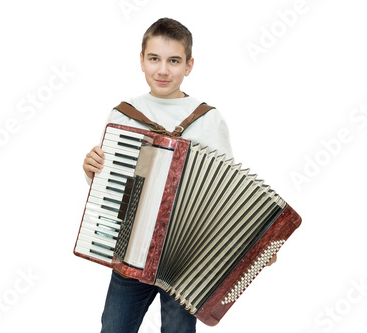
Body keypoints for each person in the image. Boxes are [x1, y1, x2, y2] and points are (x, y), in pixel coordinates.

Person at [82, 17, 276, 333]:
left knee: (178, 330)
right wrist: (93, 171)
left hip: (187, 260)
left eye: (174, 61)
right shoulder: (123, 115)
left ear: (189, 65)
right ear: (141, 61)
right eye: (154, 59)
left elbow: (227, 193)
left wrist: (254, 243)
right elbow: (114, 190)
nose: (163, 70)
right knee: (113, 327)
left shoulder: (208, 119)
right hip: (132, 250)